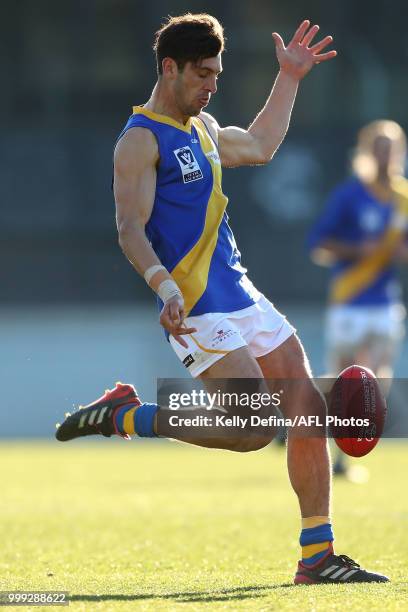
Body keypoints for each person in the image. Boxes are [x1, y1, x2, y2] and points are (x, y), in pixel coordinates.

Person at [56, 14, 388, 584]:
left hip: (242, 293)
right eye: (203, 74)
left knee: (305, 406)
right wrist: (162, 285)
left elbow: (258, 144)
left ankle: (318, 556)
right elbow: (129, 229)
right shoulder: (139, 140)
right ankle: (129, 416)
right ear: (170, 68)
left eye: (217, 74)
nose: (212, 85)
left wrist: (289, 79)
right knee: (254, 426)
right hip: (194, 306)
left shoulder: (204, 128)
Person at [308, 120, 408, 475]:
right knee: (343, 379)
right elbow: (318, 244)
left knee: (374, 382)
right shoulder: (349, 195)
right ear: (367, 151)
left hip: (384, 303)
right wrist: (355, 249)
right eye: (378, 146)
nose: (384, 154)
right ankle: (303, 411)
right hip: (349, 299)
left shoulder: (403, 198)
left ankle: (343, 455)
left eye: (391, 146)